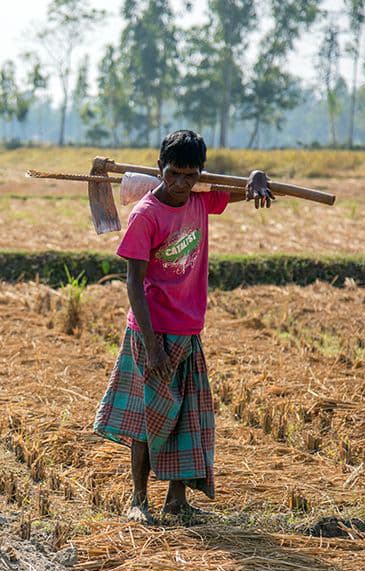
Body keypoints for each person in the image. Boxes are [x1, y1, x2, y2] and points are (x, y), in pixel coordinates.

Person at [93, 129, 273, 523]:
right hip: (150, 331)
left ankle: (176, 501)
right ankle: (138, 500)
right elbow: (133, 283)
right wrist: (153, 345)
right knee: (147, 415)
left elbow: (241, 190)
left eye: (189, 176)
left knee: (186, 415)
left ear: (199, 175)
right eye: (172, 174)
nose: (179, 184)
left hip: (188, 329)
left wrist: (258, 175)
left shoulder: (198, 203)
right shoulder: (146, 215)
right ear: (160, 169)